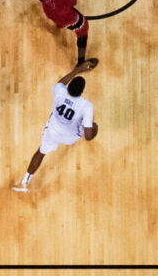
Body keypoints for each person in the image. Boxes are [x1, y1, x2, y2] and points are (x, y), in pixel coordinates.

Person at [13, 59, 98, 192]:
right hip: (71, 137)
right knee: (92, 124)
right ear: (82, 92)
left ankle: (25, 181)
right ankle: (87, 124)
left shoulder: (59, 91)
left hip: (52, 132)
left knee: (40, 152)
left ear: (68, 87)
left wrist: (77, 70)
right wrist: (93, 130)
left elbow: (61, 82)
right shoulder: (87, 106)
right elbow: (88, 136)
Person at [39, 0, 91, 65]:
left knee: (58, 20)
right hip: (66, 17)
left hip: (49, 10)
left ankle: (59, 25)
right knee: (83, 28)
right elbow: (74, 2)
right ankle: (81, 62)